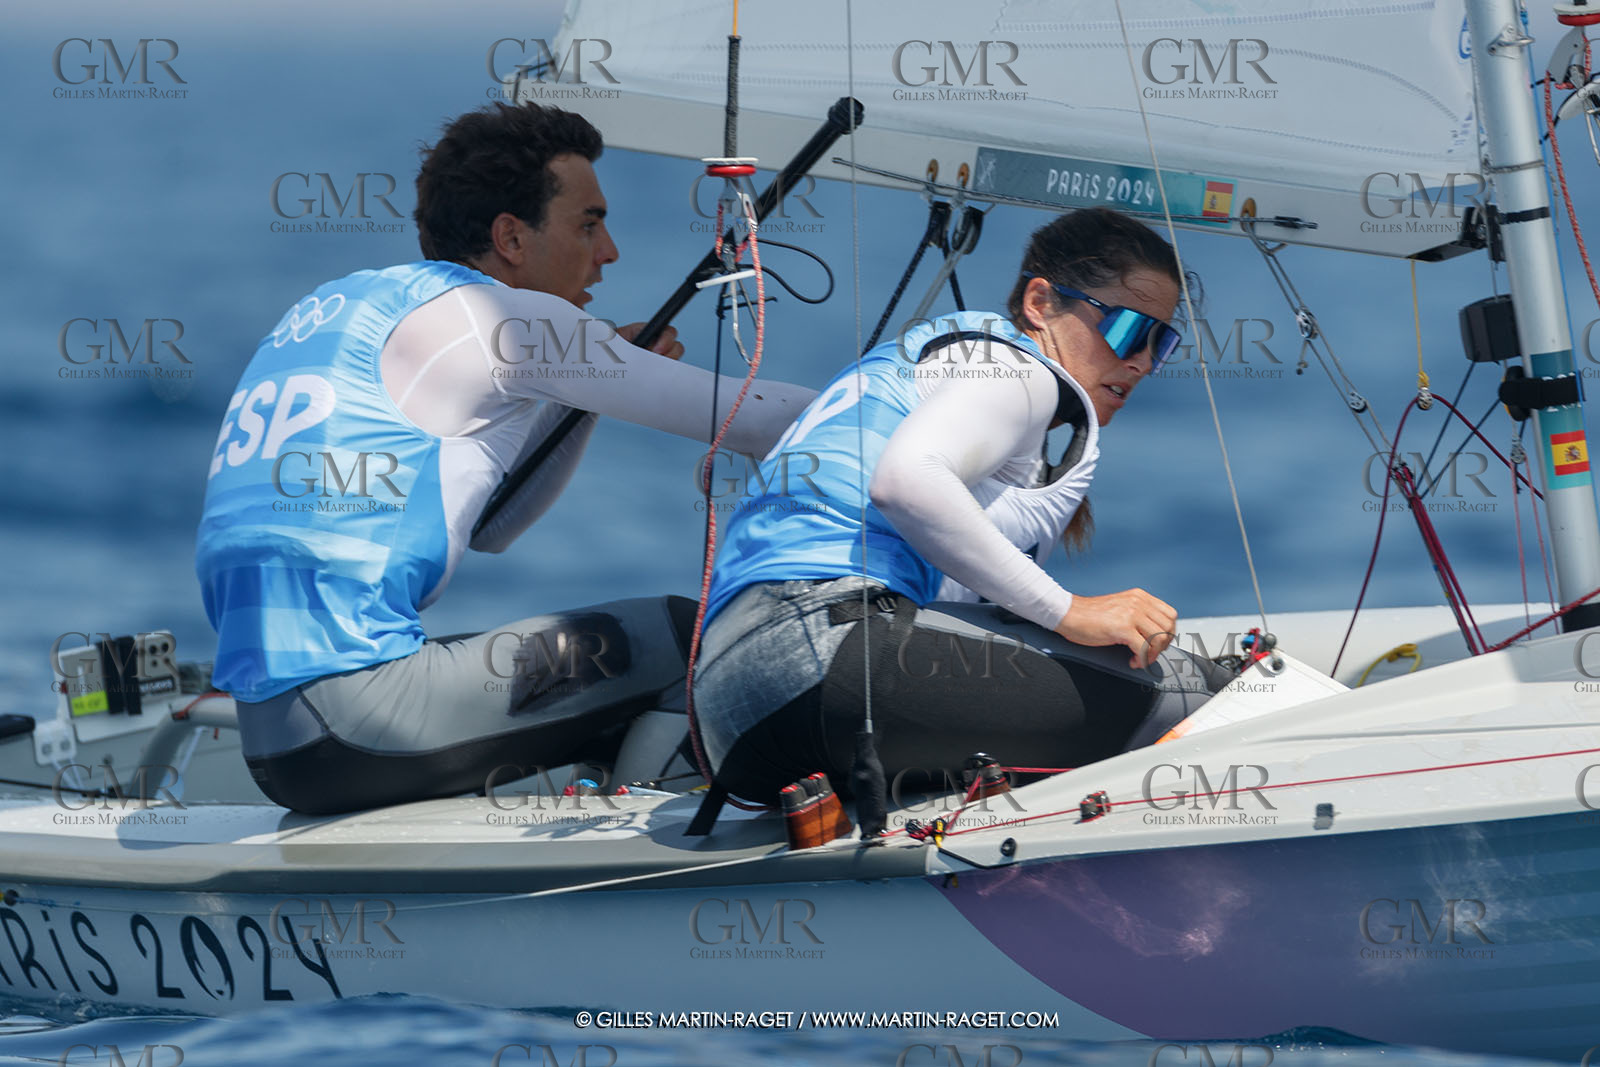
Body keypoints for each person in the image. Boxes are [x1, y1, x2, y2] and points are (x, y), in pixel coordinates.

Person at [196, 102, 815, 814]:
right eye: (588, 223)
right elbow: (754, 420)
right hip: (358, 723)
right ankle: (662, 858)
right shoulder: (505, 321)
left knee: (604, 666)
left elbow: (492, 526)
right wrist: (918, 407)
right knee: (695, 636)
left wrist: (587, 387)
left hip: (275, 740)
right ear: (511, 237)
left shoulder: (349, 303)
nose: (608, 251)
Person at [692, 207, 1232, 805]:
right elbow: (907, 482)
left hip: (732, 708)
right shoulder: (1017, 371)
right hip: (824, 664)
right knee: (1201, 698)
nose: (1142, 362)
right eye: (1131, 329)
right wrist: (1069, 610)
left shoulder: (926, 369)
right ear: (1040, 303)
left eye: (1163, 341)